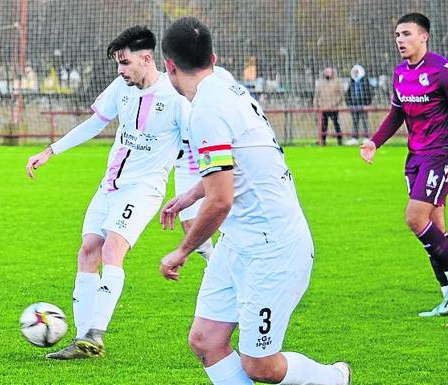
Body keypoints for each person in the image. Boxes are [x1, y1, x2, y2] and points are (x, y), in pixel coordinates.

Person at [160, 17, 351, 385]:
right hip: (239, 243)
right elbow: (239, 162)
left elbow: (220, 202)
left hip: (274, 248)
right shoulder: (226, 83)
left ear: (169, 66)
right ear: (213, 57)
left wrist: (181, 251)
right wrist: (190, 193)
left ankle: (333, 379)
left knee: (259, 365)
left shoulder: (206, 111)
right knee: (205, 341)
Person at [25, 25, 189, 359]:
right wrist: (51, 151)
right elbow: (95, 124)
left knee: (113, 249)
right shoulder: (121, 87)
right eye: (118, 63)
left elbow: (192, 154)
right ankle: (82, 341)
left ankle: (95, 333)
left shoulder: (177, 100)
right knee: (88, 250)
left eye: (125, 63)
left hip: (143, 190)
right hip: (109, 186)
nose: (120, 70)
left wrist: (185, 200)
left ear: (146, 58)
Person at [360, 13, 448, 317]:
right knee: (435, 228)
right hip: (415, 157)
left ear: (423, 36)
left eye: (407, 34)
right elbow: (396, 114)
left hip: (441, 155)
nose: (400, 40)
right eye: (397, 35)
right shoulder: (400, 73)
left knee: (414, 217)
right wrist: (375, 142)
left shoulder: (443, 70)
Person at [173, 65, 236, 261]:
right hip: (186, 161)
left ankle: (225, 266)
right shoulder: (175, 75)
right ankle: (215, 262)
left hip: (214, 151)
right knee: (189, 224)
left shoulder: (222, 76)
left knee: (224, 210)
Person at [313, 67, 344, 145]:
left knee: (336, 124)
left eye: (329, 72)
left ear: (332, 72)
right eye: (326, 72)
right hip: (323, 108)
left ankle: (339, 140)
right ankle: (322, 141)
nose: (327, 73)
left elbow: (341, 95)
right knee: (323, 125)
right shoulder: (320, 83)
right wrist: (316, 106)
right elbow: (316, 95)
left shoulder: (337, 82)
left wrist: (335, 103)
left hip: (333, 108)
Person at [345, 64, 372, 145]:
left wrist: (367, 104)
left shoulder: (364, 80)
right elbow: (348, 93)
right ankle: (354, 138)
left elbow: (369, 93)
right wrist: (349, 104)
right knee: (355, 122)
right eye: (354, 72)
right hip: (354, 105)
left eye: (357, 72)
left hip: (363, 104)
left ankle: (366, 137)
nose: (356, 73)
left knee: (364, 121)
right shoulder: (351, 81)